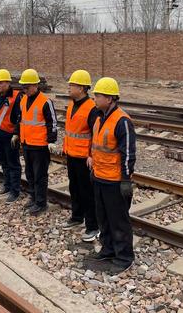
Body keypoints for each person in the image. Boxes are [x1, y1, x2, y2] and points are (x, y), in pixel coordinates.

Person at [86, 77, 136, 274]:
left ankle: (124, 256)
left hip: (114, 181)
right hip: (100, 177)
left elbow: (128, 154)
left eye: (98, 95)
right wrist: (93, 167)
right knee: (103, 218)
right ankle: (108, 249)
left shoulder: (122, 121)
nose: (95, 98)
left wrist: (125, 180)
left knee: (118, 221)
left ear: (110, 98)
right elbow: (97, 146)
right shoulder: (99, 117)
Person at [62, 70, 100, 242]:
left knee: (87, 193)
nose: (69, 87)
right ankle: (77, 217)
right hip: (72, 154)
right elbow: (71, 131)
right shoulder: (72, 104)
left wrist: (92, 156)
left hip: (85, 158)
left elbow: (96, 135)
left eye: (73, 85)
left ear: (83, 88)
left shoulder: (92, 109)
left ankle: (93, 226)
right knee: (74, 188)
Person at [13, 68, 57, 216]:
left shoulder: (45, 102)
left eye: (27, 86)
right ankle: (33, 197)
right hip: (26, 143)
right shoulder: (23, 99)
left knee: (40, 175)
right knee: (30, 173)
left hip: (40, 146)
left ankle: (41, 202)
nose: (25, 89)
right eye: (23, 87)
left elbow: (52, 123)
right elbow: (21, 119)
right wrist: (16, 133)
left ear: (36, 85)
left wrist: (51, 141)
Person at [0, 69, 22, 203]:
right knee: (3, 162)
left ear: (8, 83)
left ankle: (15, 191)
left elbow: (20, 117)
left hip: (10, 137)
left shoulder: (16, 96)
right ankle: (7, 185)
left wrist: (16, 133)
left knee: (13, 164)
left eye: (1, 83)